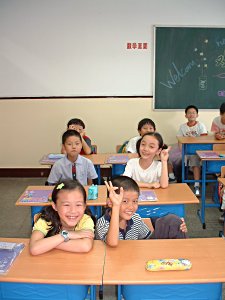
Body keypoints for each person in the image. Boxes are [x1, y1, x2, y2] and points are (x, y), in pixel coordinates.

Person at [95, 176, 187, 246]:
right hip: (110, 265)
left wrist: (176, 228)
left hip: (132, 261)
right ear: (110, 203)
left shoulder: (135, 218)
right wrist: (115, 206)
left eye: (135, 201)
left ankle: (182, 261)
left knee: (172, 221)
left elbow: (148, 240)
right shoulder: (102, 223)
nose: (131, 207)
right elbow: (112, 243)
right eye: (125, 201)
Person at [30, 180, 95, 255]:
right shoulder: (46, 220)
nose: (73, 211)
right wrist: (66, 235)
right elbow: (34, 249)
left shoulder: (85, 220)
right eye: (66, 205)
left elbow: (85, 246)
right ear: (55, 206)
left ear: (84, 206)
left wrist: (48, 244)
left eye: (78, 205)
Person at [177, 105, 207, 196]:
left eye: (193, 113)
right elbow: (179, 141)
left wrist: (193, 140)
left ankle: (196, 185)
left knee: (194, 159)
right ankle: (178, 181)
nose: (191, 114)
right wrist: (182, 152)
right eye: (189, 113)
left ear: (197, 115)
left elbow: (204, 141)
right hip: (186, 150)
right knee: (176, 158)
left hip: (197, 151)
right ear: (185, 115)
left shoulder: (201, 126)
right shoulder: (182, 127)